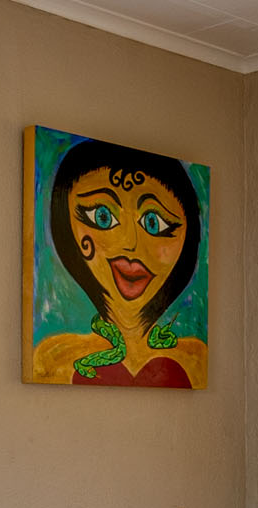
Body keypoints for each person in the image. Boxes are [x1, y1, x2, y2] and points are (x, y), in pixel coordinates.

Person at [29, 137, 206, 388]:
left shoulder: (195, 358)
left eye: (154, 223)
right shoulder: (52, 357)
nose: (131, 245)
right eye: (102, 216)